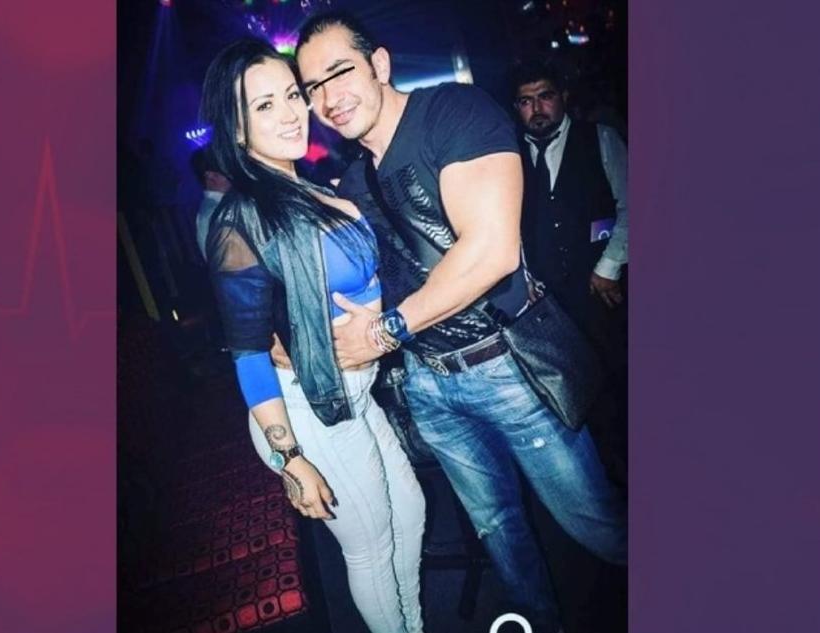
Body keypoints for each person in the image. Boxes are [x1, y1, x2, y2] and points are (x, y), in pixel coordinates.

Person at [296, 13, 626, 633]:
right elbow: (371, 281)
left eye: (339, 72)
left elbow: (491, 251)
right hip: (429, 383)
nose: (328, 97)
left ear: (379, 64)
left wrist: (382, 332)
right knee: (499, 532)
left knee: (598, 524)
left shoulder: (453, 113)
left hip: (508, 367)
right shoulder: (355, 180)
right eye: (312, 86)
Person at [197, 38, 425, 633]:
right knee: (372, 548)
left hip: (356, 393)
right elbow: (249, 352)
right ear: (237, 128)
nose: (291, 113)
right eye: (265, 105)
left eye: (292, 95)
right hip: (308, 410)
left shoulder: (314, 188)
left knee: (412, 513)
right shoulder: (242, 219)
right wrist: (290, 456)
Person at [511, 60, 629, 484]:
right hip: (548, 304)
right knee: (575, 398)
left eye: (545, 96)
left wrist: (609, 267)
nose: (537, 109)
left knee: (621, 382)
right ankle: (604, 482)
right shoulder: (508, 155)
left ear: (562, 97)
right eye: (526, 101)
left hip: (602, 290)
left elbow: (633, 204)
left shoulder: (599, 138)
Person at [191, 147, 231, 261]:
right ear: (211, 176)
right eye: (224, 168)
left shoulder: (220, 206)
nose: (231, 172)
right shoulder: (214, 212)